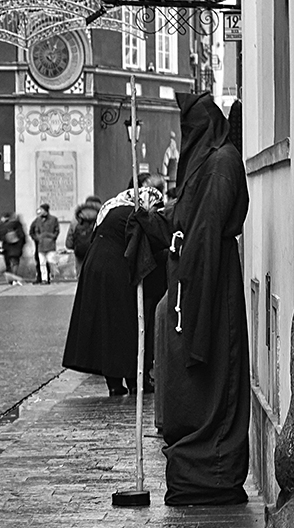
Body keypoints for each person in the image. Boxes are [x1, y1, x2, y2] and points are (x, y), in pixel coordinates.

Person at [156, 91, 250, 506]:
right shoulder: (207, 164)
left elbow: (207, 232)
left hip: (211, 283)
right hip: (196, 280)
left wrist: (196, 305)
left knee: (217, 374)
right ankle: (199, 468)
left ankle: (212, 470)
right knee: (199, 384)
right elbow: (188, 220)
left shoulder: (221, 164)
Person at [61, 183, 166, 396]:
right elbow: (142, 246)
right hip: (116, 272)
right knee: (125, 326)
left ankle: (115, 384)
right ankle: (136, 382)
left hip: (95, 268)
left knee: (106, 327)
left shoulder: (111, 208)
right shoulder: (134, 214)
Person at [65, 195, 102, 273]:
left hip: (80, 252)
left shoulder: (77, 218)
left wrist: (74, 246)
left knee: (81, 275)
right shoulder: (103, 216)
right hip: (97, 252)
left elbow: (69, 240)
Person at [29, 203, 60, 284]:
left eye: (41, 209)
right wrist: (37, 238)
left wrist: (53, 237)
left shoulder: (53, 219)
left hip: (50, 244)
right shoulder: (37, 220)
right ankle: (44, 279)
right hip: (41, 245)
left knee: (51, 261)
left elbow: (57, 230)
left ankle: (52, 277)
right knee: (42, 263)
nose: (40, 211)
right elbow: (32, 231)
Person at [0, 212, 27, 284]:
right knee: (15, 263)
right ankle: (14, 279)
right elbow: (22, 236)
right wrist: (22, 245)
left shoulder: (1, 226)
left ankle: (11, 280)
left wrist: (0, 248)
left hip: (6, 248)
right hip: (16, 247)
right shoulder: (17, 224)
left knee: (9, 264)